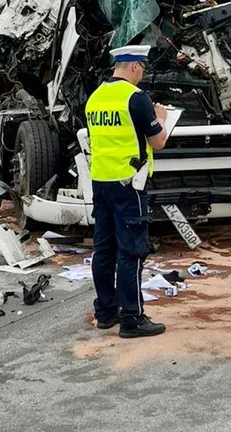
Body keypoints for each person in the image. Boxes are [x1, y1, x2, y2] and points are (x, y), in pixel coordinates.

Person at [85, 44, 170, 338]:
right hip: (128, 184)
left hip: (101, 183)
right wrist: (162, 118)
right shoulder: (136, 98)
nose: (142, 75)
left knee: (103, 249)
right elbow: (158, 142)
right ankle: (132, 318)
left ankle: (106, 313)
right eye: (143, 68)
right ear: (134, 66)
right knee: (131, 251)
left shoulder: (95, 98)